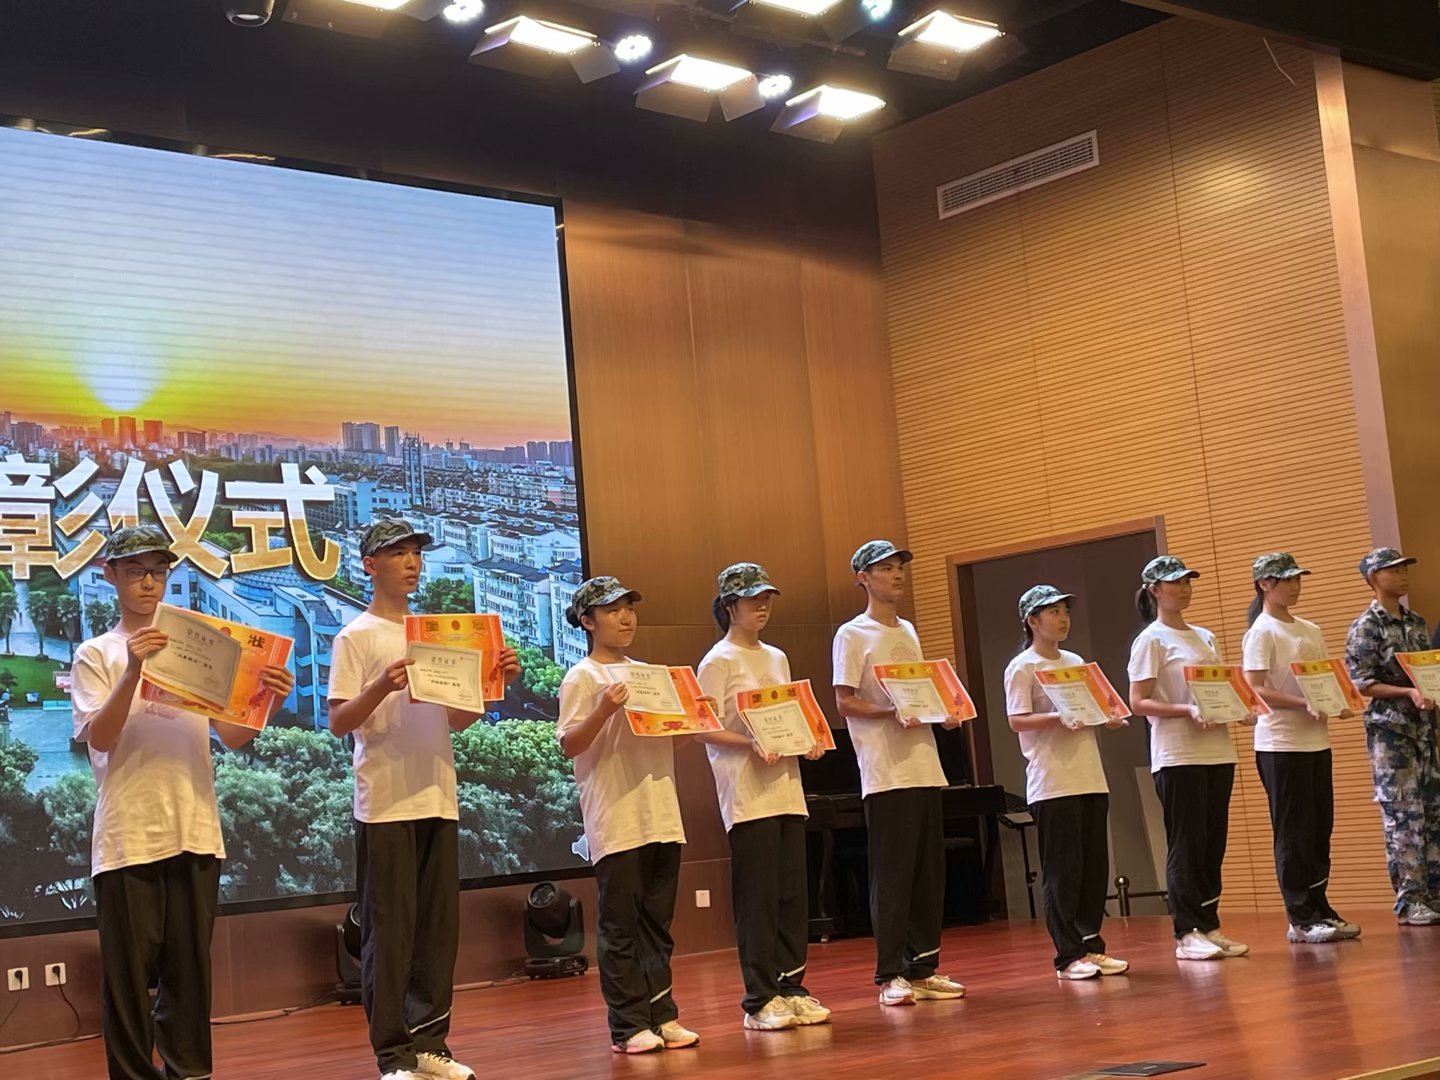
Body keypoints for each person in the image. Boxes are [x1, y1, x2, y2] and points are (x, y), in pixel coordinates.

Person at [73, 524, 294, 1080]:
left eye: (158, 571)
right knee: (128, 980)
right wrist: (134, 670)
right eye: (135, 572)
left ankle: (191, 1073)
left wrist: (266, 699)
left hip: (195, 828)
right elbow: (100, 736)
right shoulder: (96, 653)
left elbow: (232, 737)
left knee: (189, 975)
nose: (149, 583)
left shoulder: (199, 646)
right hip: (128, 835)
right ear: (110, 576)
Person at [328, 519, 519, 1080]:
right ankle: (393, 1055)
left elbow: (455, 719)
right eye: (398, 553)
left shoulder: (436, 634)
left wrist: (491, 683)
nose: (411, 562)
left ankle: (431, 1044)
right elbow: (339, 721)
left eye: (415, 553)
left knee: (437, 930)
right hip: (386, 800)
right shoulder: (355, 636)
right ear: (369, 564)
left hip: (437, 792)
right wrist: (381, 686)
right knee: (389, 931)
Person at [556, 576, 699, 1055]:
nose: (625, 618)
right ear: (587, 621)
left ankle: (663, 1014)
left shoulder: (649, 674)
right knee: (620, 926)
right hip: (616, 814)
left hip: (661, 811)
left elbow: (671, 740)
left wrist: (695, 718)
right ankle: (627, 1025)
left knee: (657, 923)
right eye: (612, 610)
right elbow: (569, 744)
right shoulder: (582, 677)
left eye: (629, 608)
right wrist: (601, 710)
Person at [695, 563, 831, 1031]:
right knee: (759, 899)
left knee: (792, 895)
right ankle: (760, 998)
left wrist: (809, 739)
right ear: (729, 605)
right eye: (753, 599)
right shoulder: (718, 661)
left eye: (767, 598)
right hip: (747, 794)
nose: (762, 606)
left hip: (787, 790)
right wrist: (750, 742)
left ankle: (792, 987)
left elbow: (789, 714)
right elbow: (703, 729)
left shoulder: (777, 657)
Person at [832, 540, 967, 1007]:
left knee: (928, 872)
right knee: (892, 874)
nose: (896, 575)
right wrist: (890, 711)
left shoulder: (908, 629)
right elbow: (844, 701)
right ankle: (890, 973)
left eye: (899, 568)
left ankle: (924, 967)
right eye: (885, 569)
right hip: (886, 770)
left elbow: (919, 690)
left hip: (923, 764)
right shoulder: (852, 634)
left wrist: (942, 710)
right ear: (863, 578)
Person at [1126, 555, 1250, 962]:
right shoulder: (1151, 640)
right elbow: (1138, 701)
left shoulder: (1205, 636)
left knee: (1213, 842)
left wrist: (1240, 708)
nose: (1184, 588)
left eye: (1187, 581)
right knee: (1187, 842)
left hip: (1218, 751)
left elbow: (1219, 689)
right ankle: (1187, 931)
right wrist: (1186, 711)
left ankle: (1209, 924)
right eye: (1175, 582)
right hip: (1178, 754)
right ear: (1154, 590)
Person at [1003, 585, 1130, 980]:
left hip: (1090, 776)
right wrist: (1058, 717)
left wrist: (1108, 716)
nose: (1063, 619)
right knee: (1064, 870)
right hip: (1052, 780)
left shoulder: (1076, 662)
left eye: (1065, 611)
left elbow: (1096, 706)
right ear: (1032, 620)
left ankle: (1091, 945)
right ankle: (1068, 955)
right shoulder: (1022, 666)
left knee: (1094, 867)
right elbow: (1016, 720)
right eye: (1053, 612)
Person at [1241, 552, 1360, 944]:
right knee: (1293, 831)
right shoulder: (1262, 631)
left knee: (1319, 828)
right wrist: (1301, 703)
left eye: (1297, 578)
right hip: (1280, 744)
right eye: (1286, 579)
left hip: (1316, 742)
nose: (1295, 585)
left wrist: (1339, 700)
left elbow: (1322, 678)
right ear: (1264, 584)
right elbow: (1255, 688)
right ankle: (1300, 917)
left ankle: (1319, 905)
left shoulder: (1310, 629)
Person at [1345, 547, 1440, 926]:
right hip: (1390, 733)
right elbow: (1361, 683)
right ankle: (1410, 900)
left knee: (1431, 810)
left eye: (1404, 569)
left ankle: (1433, 892)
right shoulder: (1366, 626)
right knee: (1403, 814)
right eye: (1394, 570)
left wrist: (1428, 689)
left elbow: (1427, 670)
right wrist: (1408, 692)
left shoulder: (1416, 622)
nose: (1403, 576)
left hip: (1423, 730)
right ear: (1373, 578)